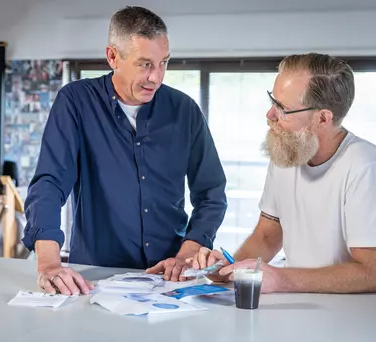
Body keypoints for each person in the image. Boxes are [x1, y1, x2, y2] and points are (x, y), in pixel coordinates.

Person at [23, 6, 227, 296]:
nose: (157, 77)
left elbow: (212, 193)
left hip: (169, 279)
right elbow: (50, 183)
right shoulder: (76, 102)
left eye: (164, 63)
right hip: (97, 278)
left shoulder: (185, 111)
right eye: (145, 64)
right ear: (113, 57)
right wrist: (48, 263)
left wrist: (187, 255)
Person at [190, 53, 376, 294]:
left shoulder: (364, 166)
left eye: (282, 108)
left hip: (349, 316)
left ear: (322, 118)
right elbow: (267, 236)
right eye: (272, 100)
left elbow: (370, 271)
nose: (270, 115)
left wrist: (282, 279)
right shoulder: (289, 151)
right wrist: (227, 269)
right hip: (299, 307)